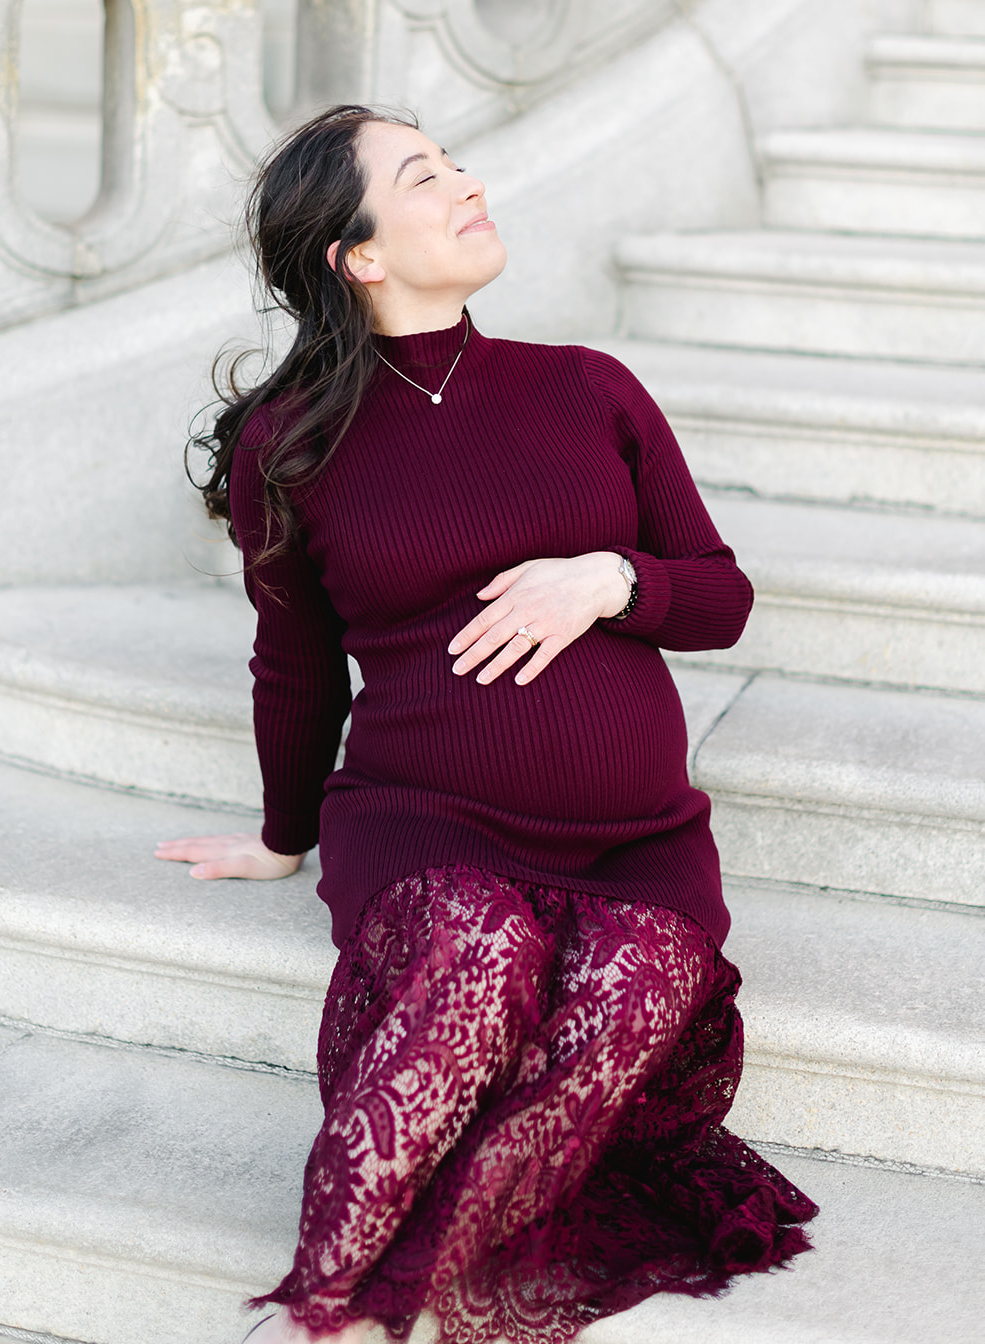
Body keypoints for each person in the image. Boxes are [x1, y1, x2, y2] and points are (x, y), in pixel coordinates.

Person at [156, 104, 817, 1344]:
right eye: (423, 175)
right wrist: (281, 832)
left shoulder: (585, 385)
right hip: (425, 820)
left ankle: (417, 1293)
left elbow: (718, 597)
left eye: (456, 163)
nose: (466, 183)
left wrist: (610, 578)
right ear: (358, 255)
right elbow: (294, 663)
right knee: (480, 954)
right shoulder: (288, 444)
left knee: (625, 996)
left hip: (638, 836)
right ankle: (326, 1309)